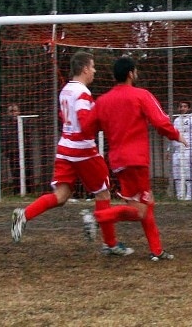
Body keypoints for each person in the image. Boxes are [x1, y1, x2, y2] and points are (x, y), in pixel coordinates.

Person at [12, 52, 134, 257]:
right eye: (93, 67)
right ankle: (110, 244)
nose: (94, 71)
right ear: (85, 68)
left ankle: (24, 215)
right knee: (103, 193)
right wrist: (103, 121)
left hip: (65, 148)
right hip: (83, 150)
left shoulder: (65, 90)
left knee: (61, 196)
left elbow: (65, 116)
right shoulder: (83, 93)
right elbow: (85, 122)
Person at [86, 56, 187, 261]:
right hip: (137, 160)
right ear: (131, 73)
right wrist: (176, 135)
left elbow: (88, 127)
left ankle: (157, 251)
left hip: (117, 161)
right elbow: (160, 121)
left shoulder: (102, 101)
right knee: (141, 209)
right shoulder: (141, 95)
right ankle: (97, 217)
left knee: (143, 203)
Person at [168, 100, 192, 201]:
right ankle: (180, 195)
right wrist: (169, 150)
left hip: (189, 151)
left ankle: (189, 196)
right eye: (181, 106)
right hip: (177, 151)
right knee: (177, 174)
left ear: (188, 108)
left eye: (185, 106)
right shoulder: (176, 120)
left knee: (188, 174)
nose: (182, 108)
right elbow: (173, 136)